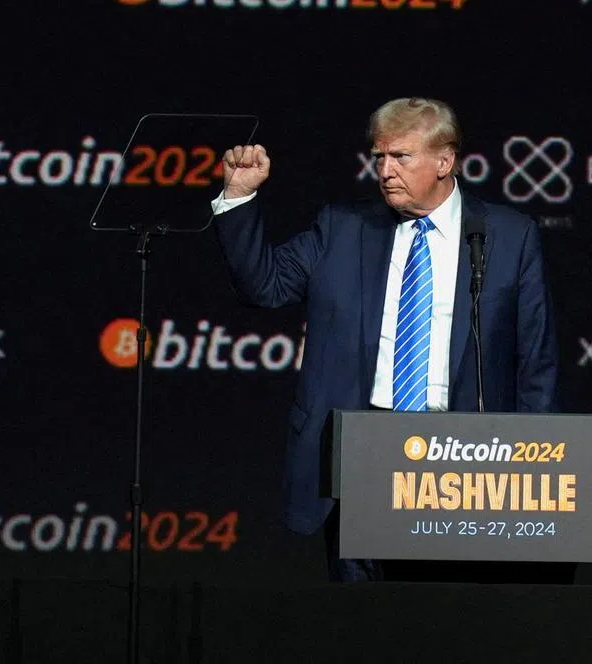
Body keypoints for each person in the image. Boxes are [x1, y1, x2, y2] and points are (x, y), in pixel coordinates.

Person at [211, 98, 560, 582]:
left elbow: (535, 361)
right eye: (379, 157)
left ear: (445, 161)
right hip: (361, 456)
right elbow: (263, 285)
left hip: (463, 465)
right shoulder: (342, 227)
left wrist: (526, 470)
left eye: (402, 157)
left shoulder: (507, 235)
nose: (386, 171)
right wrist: (238, 198)